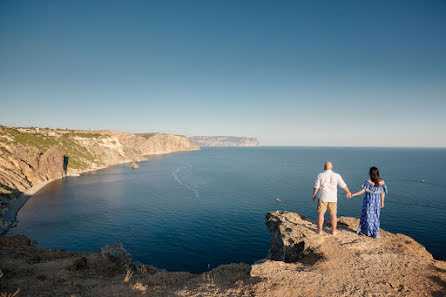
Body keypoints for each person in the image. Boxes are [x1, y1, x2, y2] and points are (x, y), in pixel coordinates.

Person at [312, 161, 351, 235]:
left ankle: (319, 231)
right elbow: (343, 185)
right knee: (333, 214)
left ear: (324, 167)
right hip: (333, 198)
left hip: (323, 197)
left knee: (321, 214)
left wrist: (314, 194)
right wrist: (348, 192)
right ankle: (333, 231)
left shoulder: (320, 175)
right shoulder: (337, 175)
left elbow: (316, 186)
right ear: (332, 167)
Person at [350, 167, 387, 238]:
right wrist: (382, 202)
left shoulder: (368, 182)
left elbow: (362, 191)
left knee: (367, 216)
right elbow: (383, 193)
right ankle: (375, 233)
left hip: (369, 202)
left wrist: (353, 194)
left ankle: (366, 231)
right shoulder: (382, 182)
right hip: (377, 202)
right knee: (376, 217)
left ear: (370, 173)